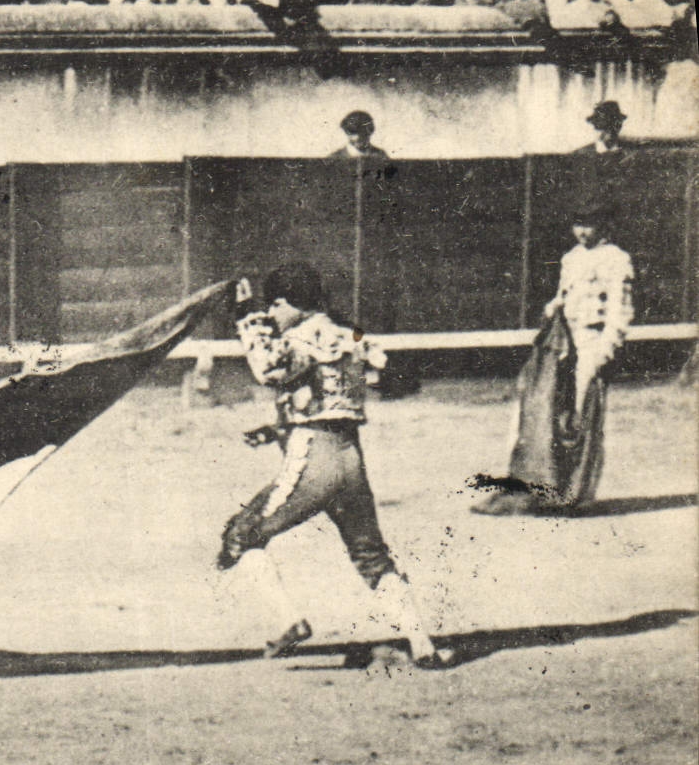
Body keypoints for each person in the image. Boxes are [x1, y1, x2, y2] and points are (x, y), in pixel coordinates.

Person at [221, 267, 448, 667]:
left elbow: (268, 368)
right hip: (351, 458)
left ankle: (288, 622)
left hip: (314, 458)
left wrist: (246, 317)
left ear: (295, 303)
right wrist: (277, 430)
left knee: (241, 536)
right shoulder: (351, 334)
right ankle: (422, 645)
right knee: (371, 555)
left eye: (276, 303)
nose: (273, 312)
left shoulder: (300, 335)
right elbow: (377, 378)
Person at [474, 213, 634, 514]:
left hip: (592, 340)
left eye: (589, 225)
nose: (582, 232)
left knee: (578, 415)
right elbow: (564, 295)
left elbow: (620, 310)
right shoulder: (571, 257)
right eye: (578, 225)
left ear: (604, 225)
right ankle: (538, 486)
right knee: (542, 408)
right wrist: (553, 307)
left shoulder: (617, 259)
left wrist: (605, 350)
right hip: (562, 341)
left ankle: (573, 493)